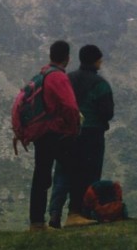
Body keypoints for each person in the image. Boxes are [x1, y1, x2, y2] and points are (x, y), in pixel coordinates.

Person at [12, 40, 81, 231]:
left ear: (51, 55)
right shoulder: (58, 77)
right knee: (75, 169)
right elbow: (70, 106)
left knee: (41, 175)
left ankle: (36, 222)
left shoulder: (41, 75)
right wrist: (73, 128)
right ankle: (74, 213)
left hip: (41, 134)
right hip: (57, 132)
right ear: (67, 58)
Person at [48, 44, 115, 228]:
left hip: (67, 133)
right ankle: (79, 213)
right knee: (89, 174)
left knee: (63, 173)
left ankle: (54, 213)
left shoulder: (67, 79)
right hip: (91, 133)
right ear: (96, 60)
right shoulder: (100, 84)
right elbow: (107, 112)